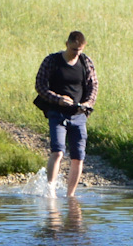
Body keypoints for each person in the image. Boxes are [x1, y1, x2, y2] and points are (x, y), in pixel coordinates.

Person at [36, 30, 98, 196]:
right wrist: (58, 99)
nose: (76, 53)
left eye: (79, 50)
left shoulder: (86, 62)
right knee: (58, 151)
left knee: (78, 157)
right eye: (73, 49)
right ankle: (50, 191)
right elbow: (40, 86)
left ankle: (70, 196)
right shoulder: (52, 61)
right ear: (66, 44)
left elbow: (93, 87)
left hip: (79, 115)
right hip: (57, 113)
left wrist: (87, 104)